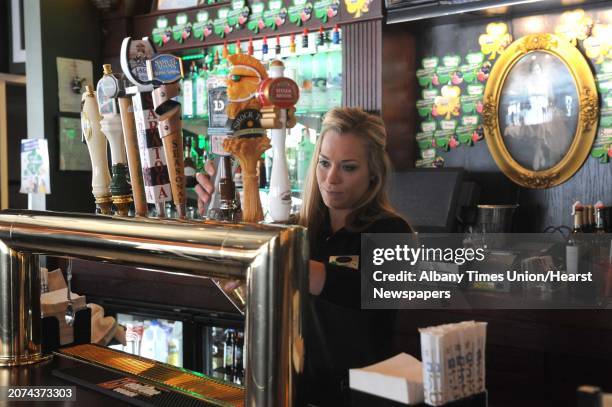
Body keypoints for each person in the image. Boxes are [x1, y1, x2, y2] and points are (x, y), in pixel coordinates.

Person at [195, 107, 412, 406]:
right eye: (324, 163)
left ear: (374, 172)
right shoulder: (299, 229)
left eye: (348, 167)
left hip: (361, 399)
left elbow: (364, 289)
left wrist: (286, 261)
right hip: (295, 393)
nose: (331, 178)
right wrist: (216, 226)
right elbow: (253, 300)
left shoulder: (391, 231)